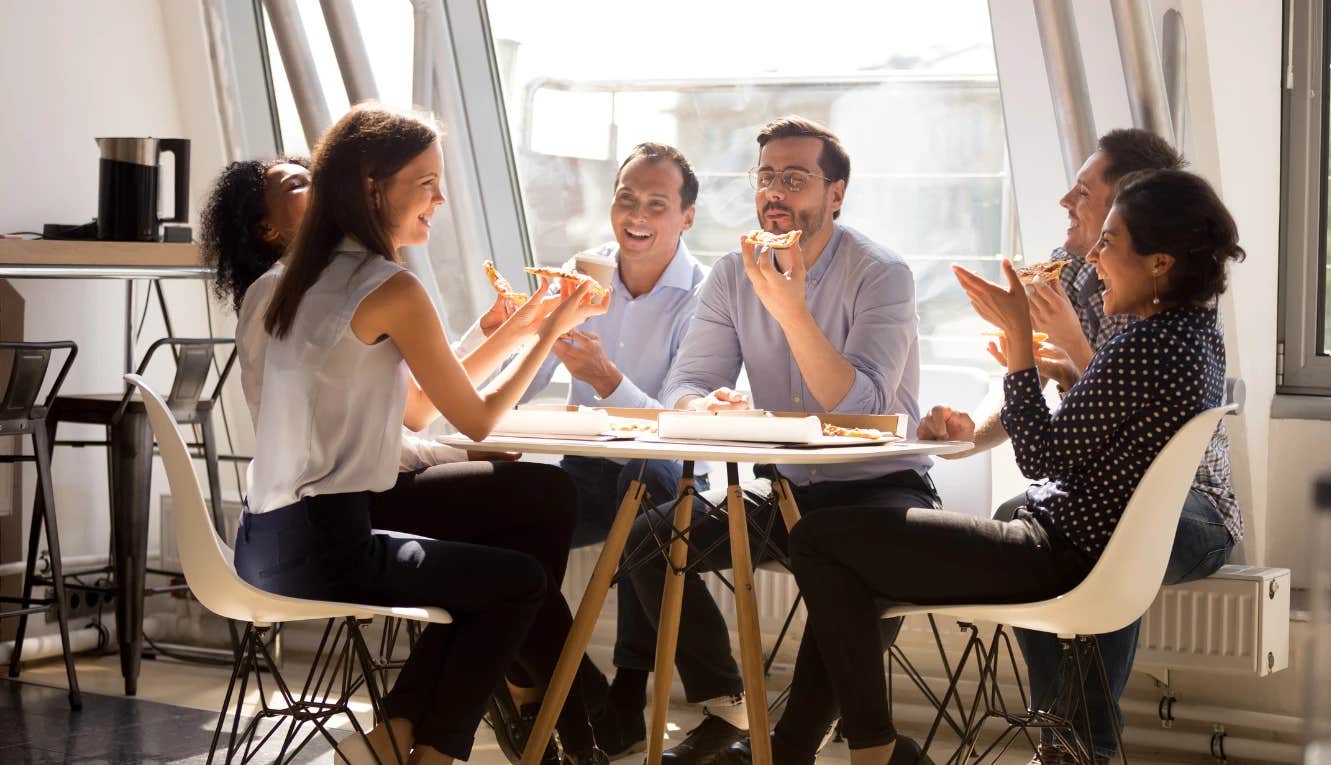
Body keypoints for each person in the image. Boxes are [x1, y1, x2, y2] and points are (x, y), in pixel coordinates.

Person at [792, 168, 1244, 765]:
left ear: (1160, 263)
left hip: (1054, 556)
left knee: (820, 540)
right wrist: (1056, 374)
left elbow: (1040, 457)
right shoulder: (1195, 338)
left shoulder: (1144, 344)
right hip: (1072, 550)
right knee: (844, 558)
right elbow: (1112, 432)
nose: (1096, 257)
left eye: (1110, 242)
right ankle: (856, 747)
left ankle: (868, 748)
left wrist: (1021, 350)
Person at [201, 151, 623, 765]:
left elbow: (410, 410)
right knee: (533, 529)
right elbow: (423, 422)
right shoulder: (355, 284)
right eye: (426, 185)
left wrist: (521, 332)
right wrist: (552, 327)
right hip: (341, 522)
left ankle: (455, 721)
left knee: (529, 521)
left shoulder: (286, 289)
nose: (438, 201)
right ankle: (542, 710)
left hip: (278, 532)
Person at [606, 116, 939, 765]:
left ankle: (787, 749)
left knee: (850, 565)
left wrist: (790, 308)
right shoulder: (734, 274)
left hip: (881, 490)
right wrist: (707, 403)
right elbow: (687, 382)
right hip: (787, 492)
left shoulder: (882, 274)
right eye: (766, 177)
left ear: (835, 193)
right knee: (646, 539)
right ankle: (725, 705)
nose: (775, 191)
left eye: (795, 177)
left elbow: (860, 407)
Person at [917, 129, 1242, 765]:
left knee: (1112, 536)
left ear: (1133, 209)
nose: (1068, 200)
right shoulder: (1069, 274)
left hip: (1191, 503)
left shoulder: (1168, 307)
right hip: (1103, 486)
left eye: (1086, 192)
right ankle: (1061, 735)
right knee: (1024, 514)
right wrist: (967, 436)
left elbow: (1124, 407)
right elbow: (1030, 390)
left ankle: (1081, 743)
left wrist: (1070, 347)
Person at [465, 142, 710, 550]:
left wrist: (606, 379)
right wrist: (511, 341)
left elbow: (683, 431)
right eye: (626, 199)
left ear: (687, 217)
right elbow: (526, 379)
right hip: (586, 467)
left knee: (646, 480)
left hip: (671, 471)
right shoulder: (582, 273)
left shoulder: (703, 296)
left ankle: (650, 610)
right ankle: (545, 614)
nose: (636, 216)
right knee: (504, 509)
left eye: (656, 205)